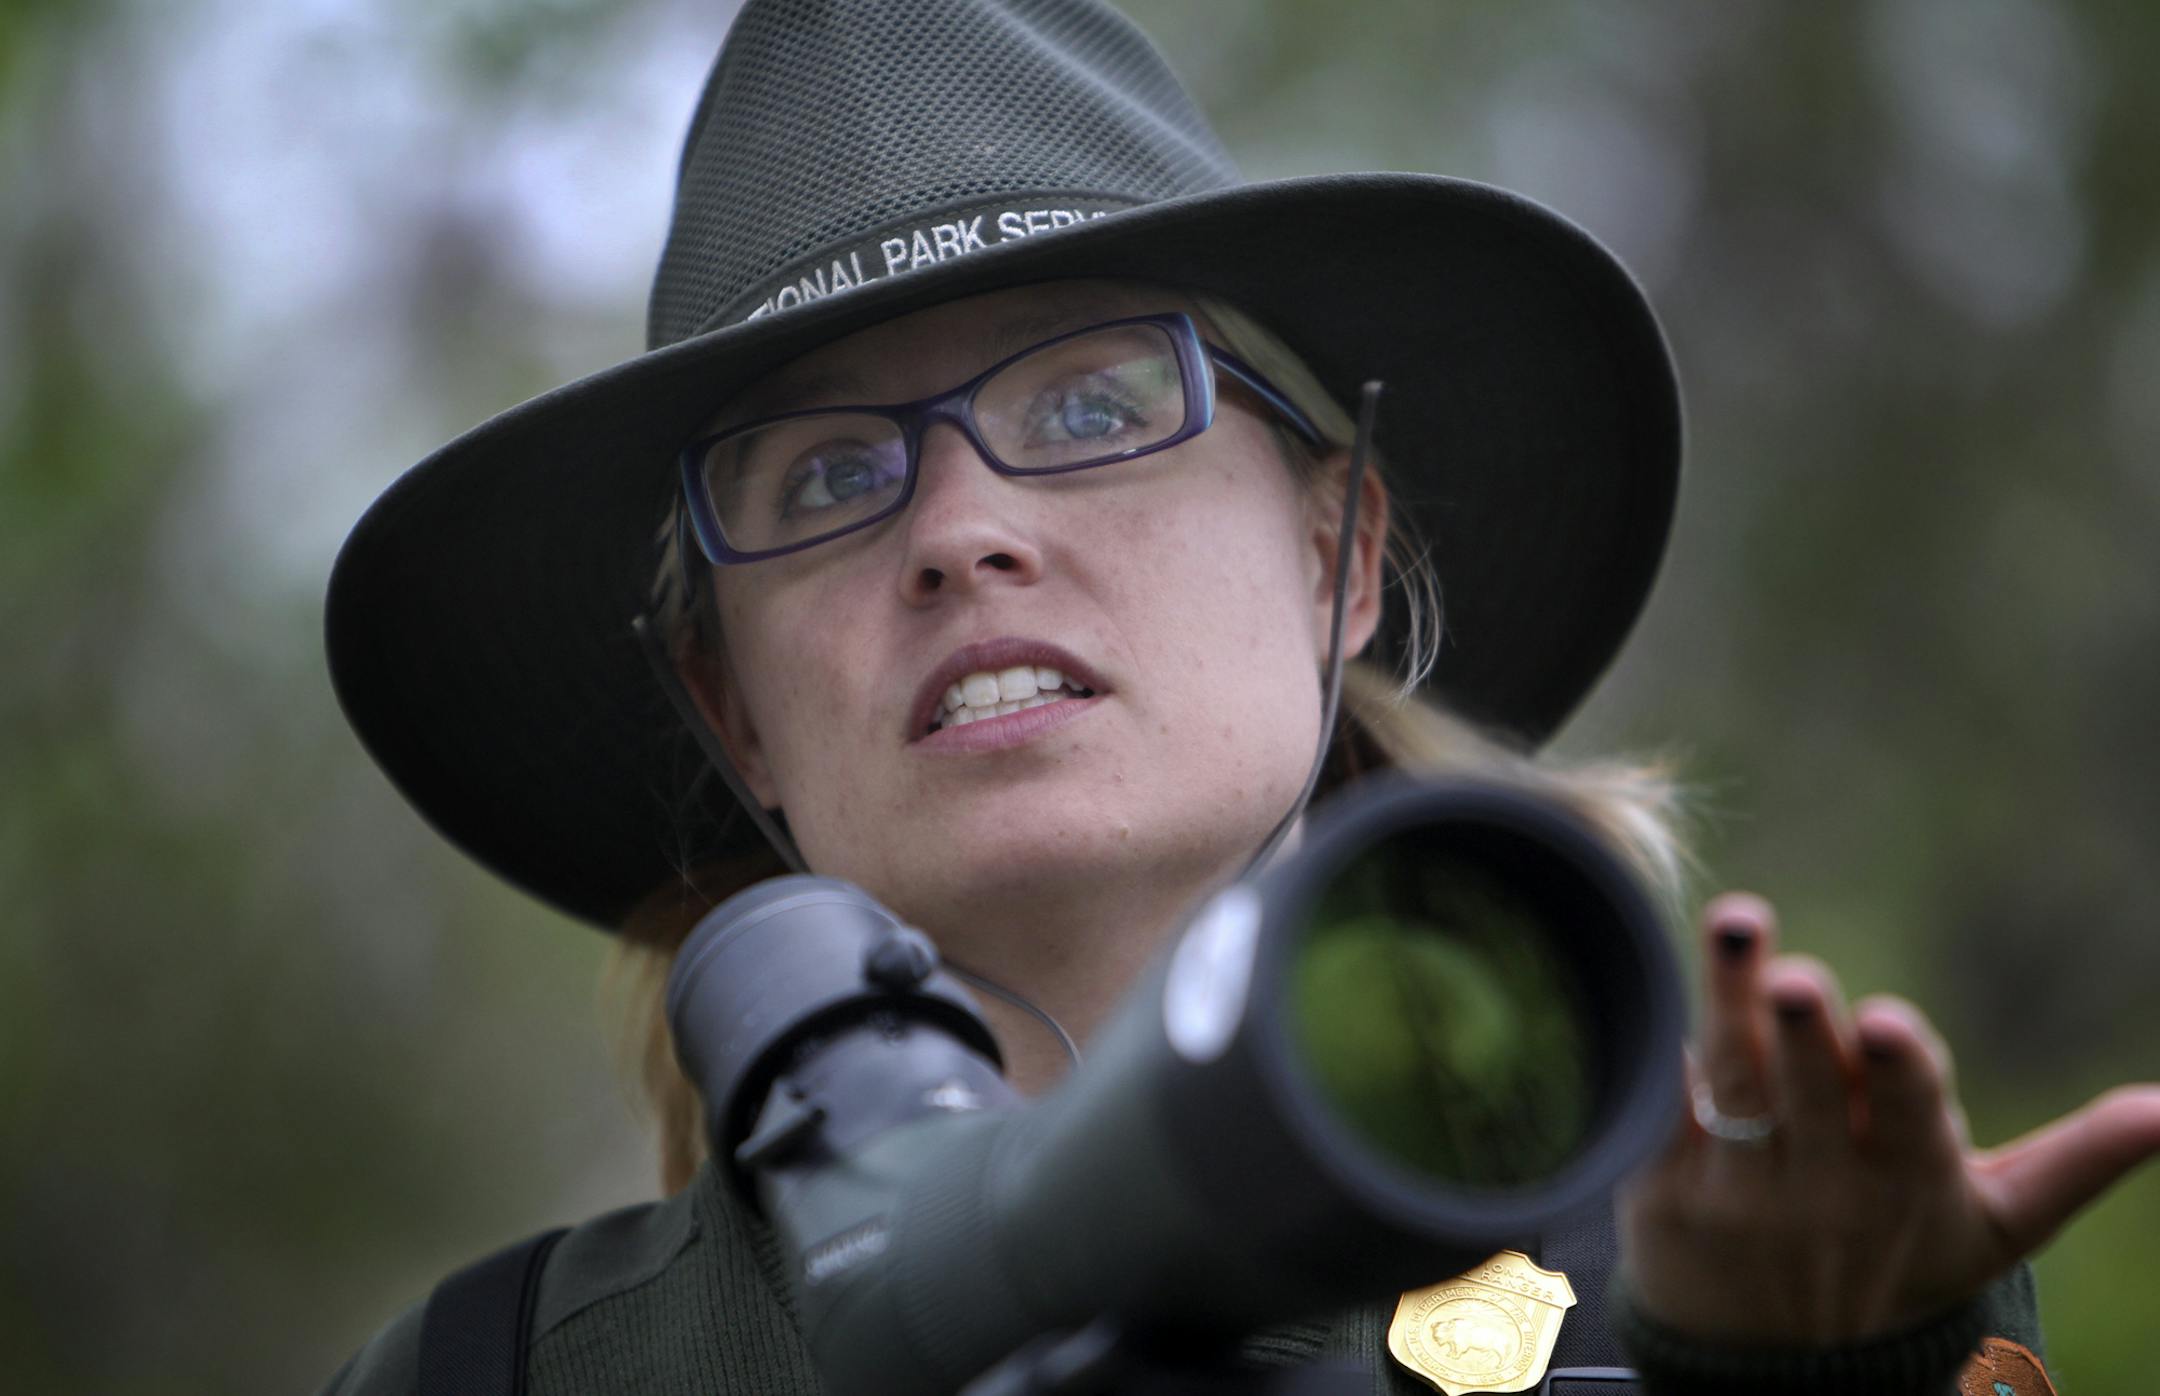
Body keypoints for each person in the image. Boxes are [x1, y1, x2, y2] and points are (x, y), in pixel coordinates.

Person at [318, 2, 2160, 1393]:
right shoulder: (503, 1374)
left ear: (1341, 558)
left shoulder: (1737, 1271)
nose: (960, 531)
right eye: (823, 478)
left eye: (1097, 410)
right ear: (736, 718)